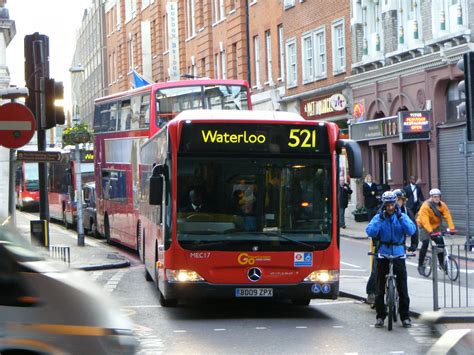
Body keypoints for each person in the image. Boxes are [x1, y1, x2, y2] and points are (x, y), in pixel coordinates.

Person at [366, 191, 417, 328]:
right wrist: (380, 219)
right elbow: (370, 231)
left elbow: (412, 230)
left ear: (395, 204)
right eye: (387, 204)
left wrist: (401, 218)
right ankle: (380, 316)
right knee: (380, 287)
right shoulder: (379, 217)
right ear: (384, 204)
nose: (390, 207)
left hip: (399, 254)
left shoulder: (402, 216)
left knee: (402, 287)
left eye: (392, 204)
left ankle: (405, 317)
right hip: (383, 254)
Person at [416, 188, 455, 275]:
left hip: (436, 226)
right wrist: (430, 232)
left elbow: (447, 216)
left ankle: (441, 263)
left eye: (438, 197)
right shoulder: (425, 206)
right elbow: (425, 220)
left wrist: (451, 228)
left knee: (440, 242)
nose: (437, 198)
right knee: (425, 243)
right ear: (431, 197)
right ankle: (420, 265)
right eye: (435, 197)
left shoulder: (442, 205)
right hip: (424, 226)